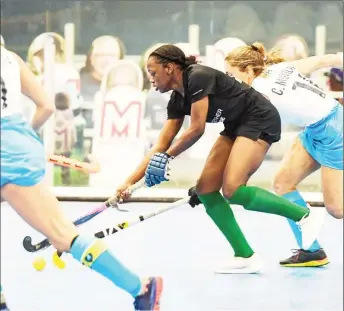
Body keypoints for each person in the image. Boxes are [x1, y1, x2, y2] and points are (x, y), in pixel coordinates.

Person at [116, 44, 324, 274]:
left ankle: (304, 215)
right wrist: (128, 184)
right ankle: (245, 256)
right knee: (205, 190)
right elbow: (160, 145)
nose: (151, 80)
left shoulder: (197, 76)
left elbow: (196, 129)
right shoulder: (176, 101)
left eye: (153, 73)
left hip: (259, 117)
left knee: (233, 190)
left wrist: (166, 158)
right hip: (235, 124)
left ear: (169, 68)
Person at [0, 45, 163, 310]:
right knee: (62, 233)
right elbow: (46, 106)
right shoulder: (9, 57)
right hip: (17, 145)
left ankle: (141, 287)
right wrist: (21, 140)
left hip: (8, 156)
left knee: (62, 235)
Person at [224, 42, 343, 267]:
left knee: (337, 209)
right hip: (315, 129)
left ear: (249, 71)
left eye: (232, 75)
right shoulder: (278, 68)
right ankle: (312, 250)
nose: (229, 81)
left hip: (335, 131)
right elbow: (322, 61)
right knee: (283, 183)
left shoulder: (258, 95)